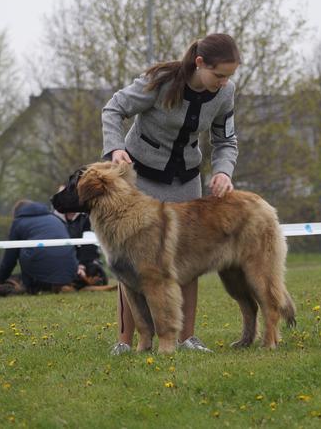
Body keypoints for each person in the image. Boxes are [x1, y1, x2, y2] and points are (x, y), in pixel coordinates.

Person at [102, 33, 240, 354]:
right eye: (219, 75)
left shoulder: (225, 93)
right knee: (132, 262)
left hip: (186, 182)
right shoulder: (159, 81)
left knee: (187, 257)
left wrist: (222, 171)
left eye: (229, 76)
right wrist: (115, 149)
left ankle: (185, 338)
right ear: (199, 63)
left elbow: (225, 141)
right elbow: (113, 109)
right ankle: (126, 341)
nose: (224, 82)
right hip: (142, 181)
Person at [0, 199, 79, 294]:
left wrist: (0, 279)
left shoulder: (19, 222)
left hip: (40, 279)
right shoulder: (55, 218)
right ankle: (60, 285)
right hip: (68, 275)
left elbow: (10, 257)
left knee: (24, 248)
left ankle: (31, 286)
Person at [59, 210, 112, 292]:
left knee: (93, 268)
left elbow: (89, 246)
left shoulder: (87, 218)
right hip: (64, 261)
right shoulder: (55, 218)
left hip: (84, 262)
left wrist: (81, 266)